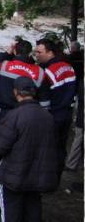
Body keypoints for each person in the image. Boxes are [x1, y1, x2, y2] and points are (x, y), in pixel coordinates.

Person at [0, 77, 58, 222]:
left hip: (13, 178)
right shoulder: (48, 117)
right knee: (33, 214)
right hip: (38, 178)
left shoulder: (13, 116)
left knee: (10, 216)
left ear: (15, 92)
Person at [34, 38, 77, 183]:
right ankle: (56, 180)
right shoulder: (68, 67)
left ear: (50, 53)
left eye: (39, 52)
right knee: (60, 148)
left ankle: (46, 180)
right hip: (67, 113)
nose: (36, 55)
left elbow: (44, 98)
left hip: (53, 114)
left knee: (47, 149)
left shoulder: (47, 72)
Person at [0, 38, 44, 121]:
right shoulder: (39, 71)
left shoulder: (5, 65)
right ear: (29, 53)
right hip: (28, 114)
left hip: (6, 112)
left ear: (15, 51)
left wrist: (7, 53)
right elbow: (43, 96)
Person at [66, 41, 83, 173]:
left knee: (78, 139)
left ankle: (72, 164)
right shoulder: (81, 58)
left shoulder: (69, 60)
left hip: (74, 89)